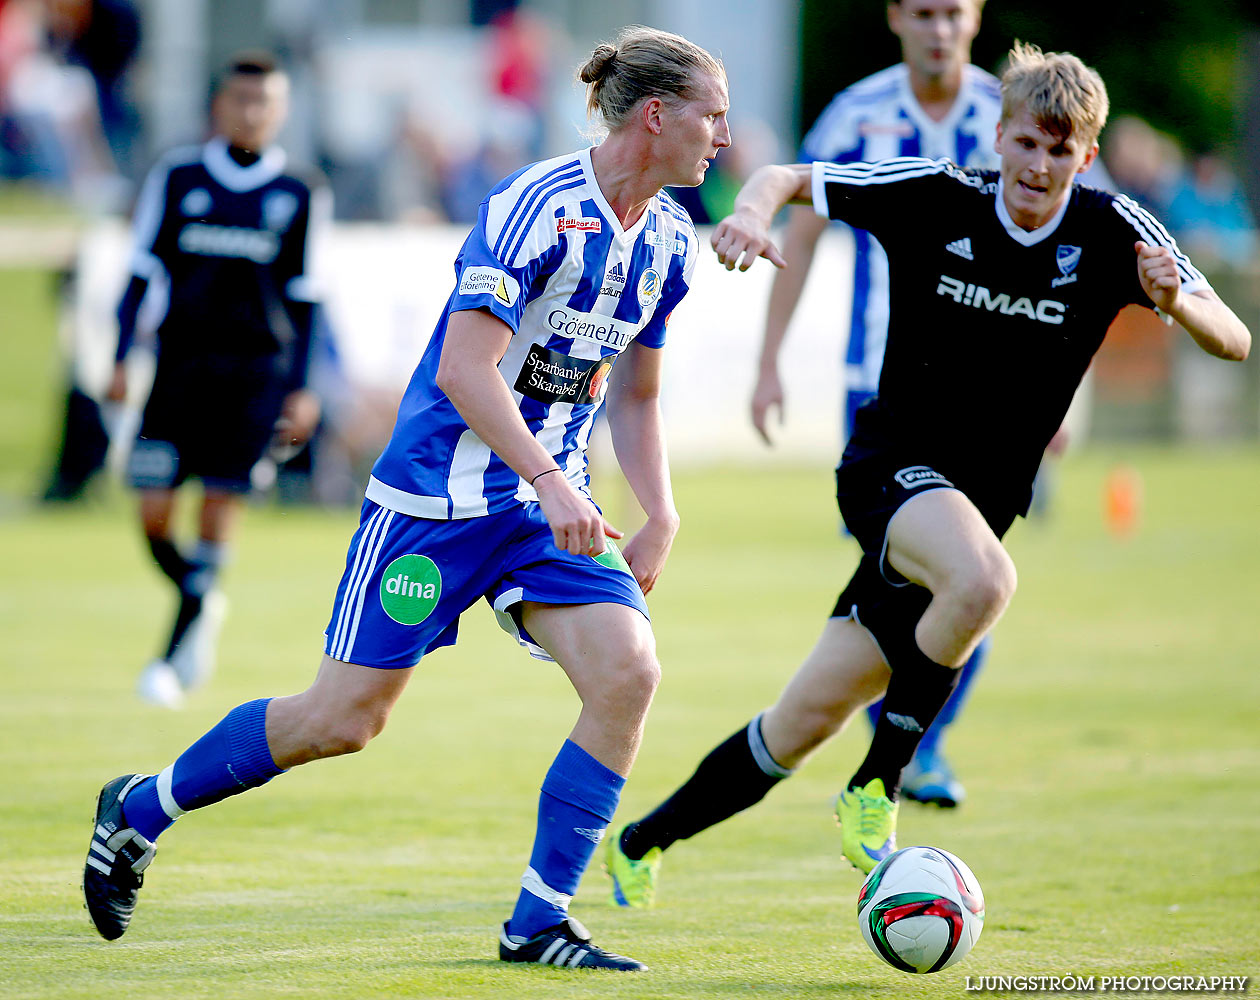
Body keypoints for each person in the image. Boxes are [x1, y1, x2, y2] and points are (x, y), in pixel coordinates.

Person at [84, 26, 730, 972]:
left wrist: (661, 510)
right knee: (343, 721)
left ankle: (538, 921)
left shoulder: (672, 239)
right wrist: (551, 480)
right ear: (657, 115)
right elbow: (468, 371)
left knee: (629, 674)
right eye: (712, 116)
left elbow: (635, 392)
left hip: (543, 513)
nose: (724, 135)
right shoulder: (536, 206)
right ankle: (136, 810)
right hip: (433, 502)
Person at [603, 42, 1250, 908]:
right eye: (1025, 142)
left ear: (1085, 156)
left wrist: (1178, 301)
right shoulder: (938, 195)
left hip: (966, 517)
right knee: (986, 581)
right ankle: (879, 785)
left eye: (1060, 151)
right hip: (888, 471)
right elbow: (790, 178)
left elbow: (1234, 336)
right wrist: (751, 210)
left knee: (796, 724)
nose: (1038, 164)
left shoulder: (1113, 229)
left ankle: (642, 842)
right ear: (1001, 134)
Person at [752, 0, 1002, 808]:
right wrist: (769, 360)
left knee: (975, 578)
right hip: (881, 387)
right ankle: (908, 748)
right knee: (908, 577)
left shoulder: (1011, 114)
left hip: (986, 392)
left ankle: (915, 742)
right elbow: (806, 232)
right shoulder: (856, 114)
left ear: (976, 17)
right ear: (895, 16)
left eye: (953, 13)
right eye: (923, 12)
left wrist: (1058, 400)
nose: (939, 29)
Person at [107, 52, 328, 709]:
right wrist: (120, 356)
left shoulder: (301, 190)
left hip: (254, 376)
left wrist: (303, 387)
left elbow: (307, 296)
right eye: (241, 100)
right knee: (151, 511)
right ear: (219, 106)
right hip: (177, 369)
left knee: (216, 512)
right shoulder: (177, 176)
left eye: (265, 103)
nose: (253, 112)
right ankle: (202, 600)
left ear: (280, 111)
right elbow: (141, 272)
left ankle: (171, 658)